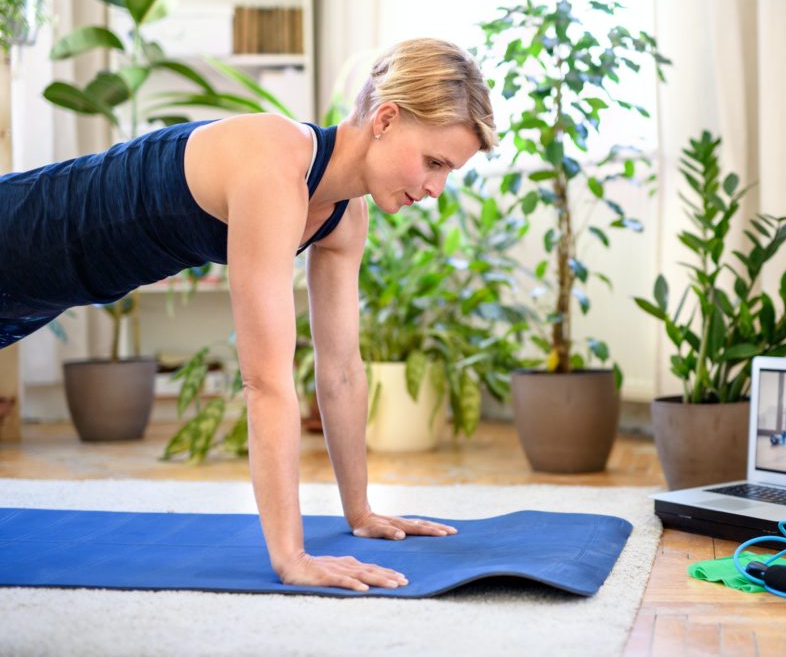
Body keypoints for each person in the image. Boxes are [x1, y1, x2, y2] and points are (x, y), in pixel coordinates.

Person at [0, 38, 497, 591]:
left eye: (448, 171)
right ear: (385, 119)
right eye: (434, 162)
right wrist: (292, 558)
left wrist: (360, 513)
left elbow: (341, 370)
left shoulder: (344, 217)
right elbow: (264, 382)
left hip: (45, 293)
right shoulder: (274, 164)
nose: (435, 188)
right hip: (20, 239)